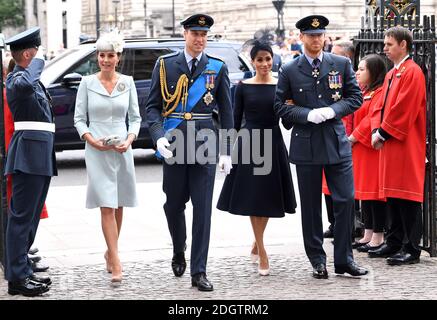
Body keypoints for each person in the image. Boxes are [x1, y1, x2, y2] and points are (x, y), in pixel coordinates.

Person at [274, 15, 368, 278]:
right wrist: (306, 115)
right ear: (302, 38)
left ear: (325, 37)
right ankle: (317, 259)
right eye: (311, 35)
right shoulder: (290, 69)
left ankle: (344, 259)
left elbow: (355, 97)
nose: (316, 39)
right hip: (306, 144)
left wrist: (332, 110)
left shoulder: (340, 63)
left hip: (335, 140)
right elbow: (280, 107)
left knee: (346, 199)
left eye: (320, 35)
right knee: (311, 206)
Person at [145, 14, 233, 291]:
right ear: (185, 34)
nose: (200, 39)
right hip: (174, 145)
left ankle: (199, 271)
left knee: (203, 210)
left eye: (204, 35)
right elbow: (152, 107)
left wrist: (227, 150)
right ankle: (178, 247)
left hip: (205, 145)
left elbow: (228, 113)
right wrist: (158, 137)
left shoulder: (216, 68)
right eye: (195, 33)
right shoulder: (165, 65)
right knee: (173, 204)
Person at [216, 40, 297, 276]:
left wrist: (293, 107)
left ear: (273, 60)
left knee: (267, 197)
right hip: (250, 143)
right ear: (252, 61)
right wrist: (226, 151)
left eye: (268, 59)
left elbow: (287, 123)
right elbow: (233, 118)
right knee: (254, 198)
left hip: (273, 141)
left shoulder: (281, 86)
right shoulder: (242, 87)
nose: (264, 63)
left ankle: (256, 240)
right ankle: (262, 250)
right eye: (259, 59)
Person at [74, 30, 141, 283]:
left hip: (123, 148)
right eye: (101, 55)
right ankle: (116, 261)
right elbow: (79, 119)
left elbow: (135, 118)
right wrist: (91, 140)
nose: (105, 60)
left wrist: (130, 139)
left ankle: (109, 252)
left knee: (120, 202)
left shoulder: (128, 82)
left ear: (118, 57)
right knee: (106, 205)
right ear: (97, 57)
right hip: (97, 149)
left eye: (110, 55)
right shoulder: (87, 83)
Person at [4, 27, 55, 296]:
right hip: (28, 156)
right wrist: (37, 63)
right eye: (36, 52)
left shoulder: (30, 79)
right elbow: (24, 84)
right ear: (28, 53)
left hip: (40, 156)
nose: (39, 57)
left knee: (31, 218)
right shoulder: (16, 78)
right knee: (22, 218)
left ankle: (23, 270)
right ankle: (16, 278)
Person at [368, 26, 425, 265]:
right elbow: (383, 106)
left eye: (389, 44)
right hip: (392, 141)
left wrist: (383, 132)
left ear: (403, 45)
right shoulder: (393, 73)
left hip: (405, 141)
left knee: (407, 196)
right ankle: (394, 240)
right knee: (392, 193)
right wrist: (377, 130)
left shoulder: (413, 72)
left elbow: (404, 108)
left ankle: (411, 248)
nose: (384, 48)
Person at [348, 54, 388, 252]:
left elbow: (370, 120)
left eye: (362, 69)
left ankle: (378, 235)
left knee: (374, 193)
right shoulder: (366, 91)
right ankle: (369, 232)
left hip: (369, 148)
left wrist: (354, 137)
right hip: (361, 149)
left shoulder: (379, 92)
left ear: (373, 72)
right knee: (365, 193)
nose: (357, 72)